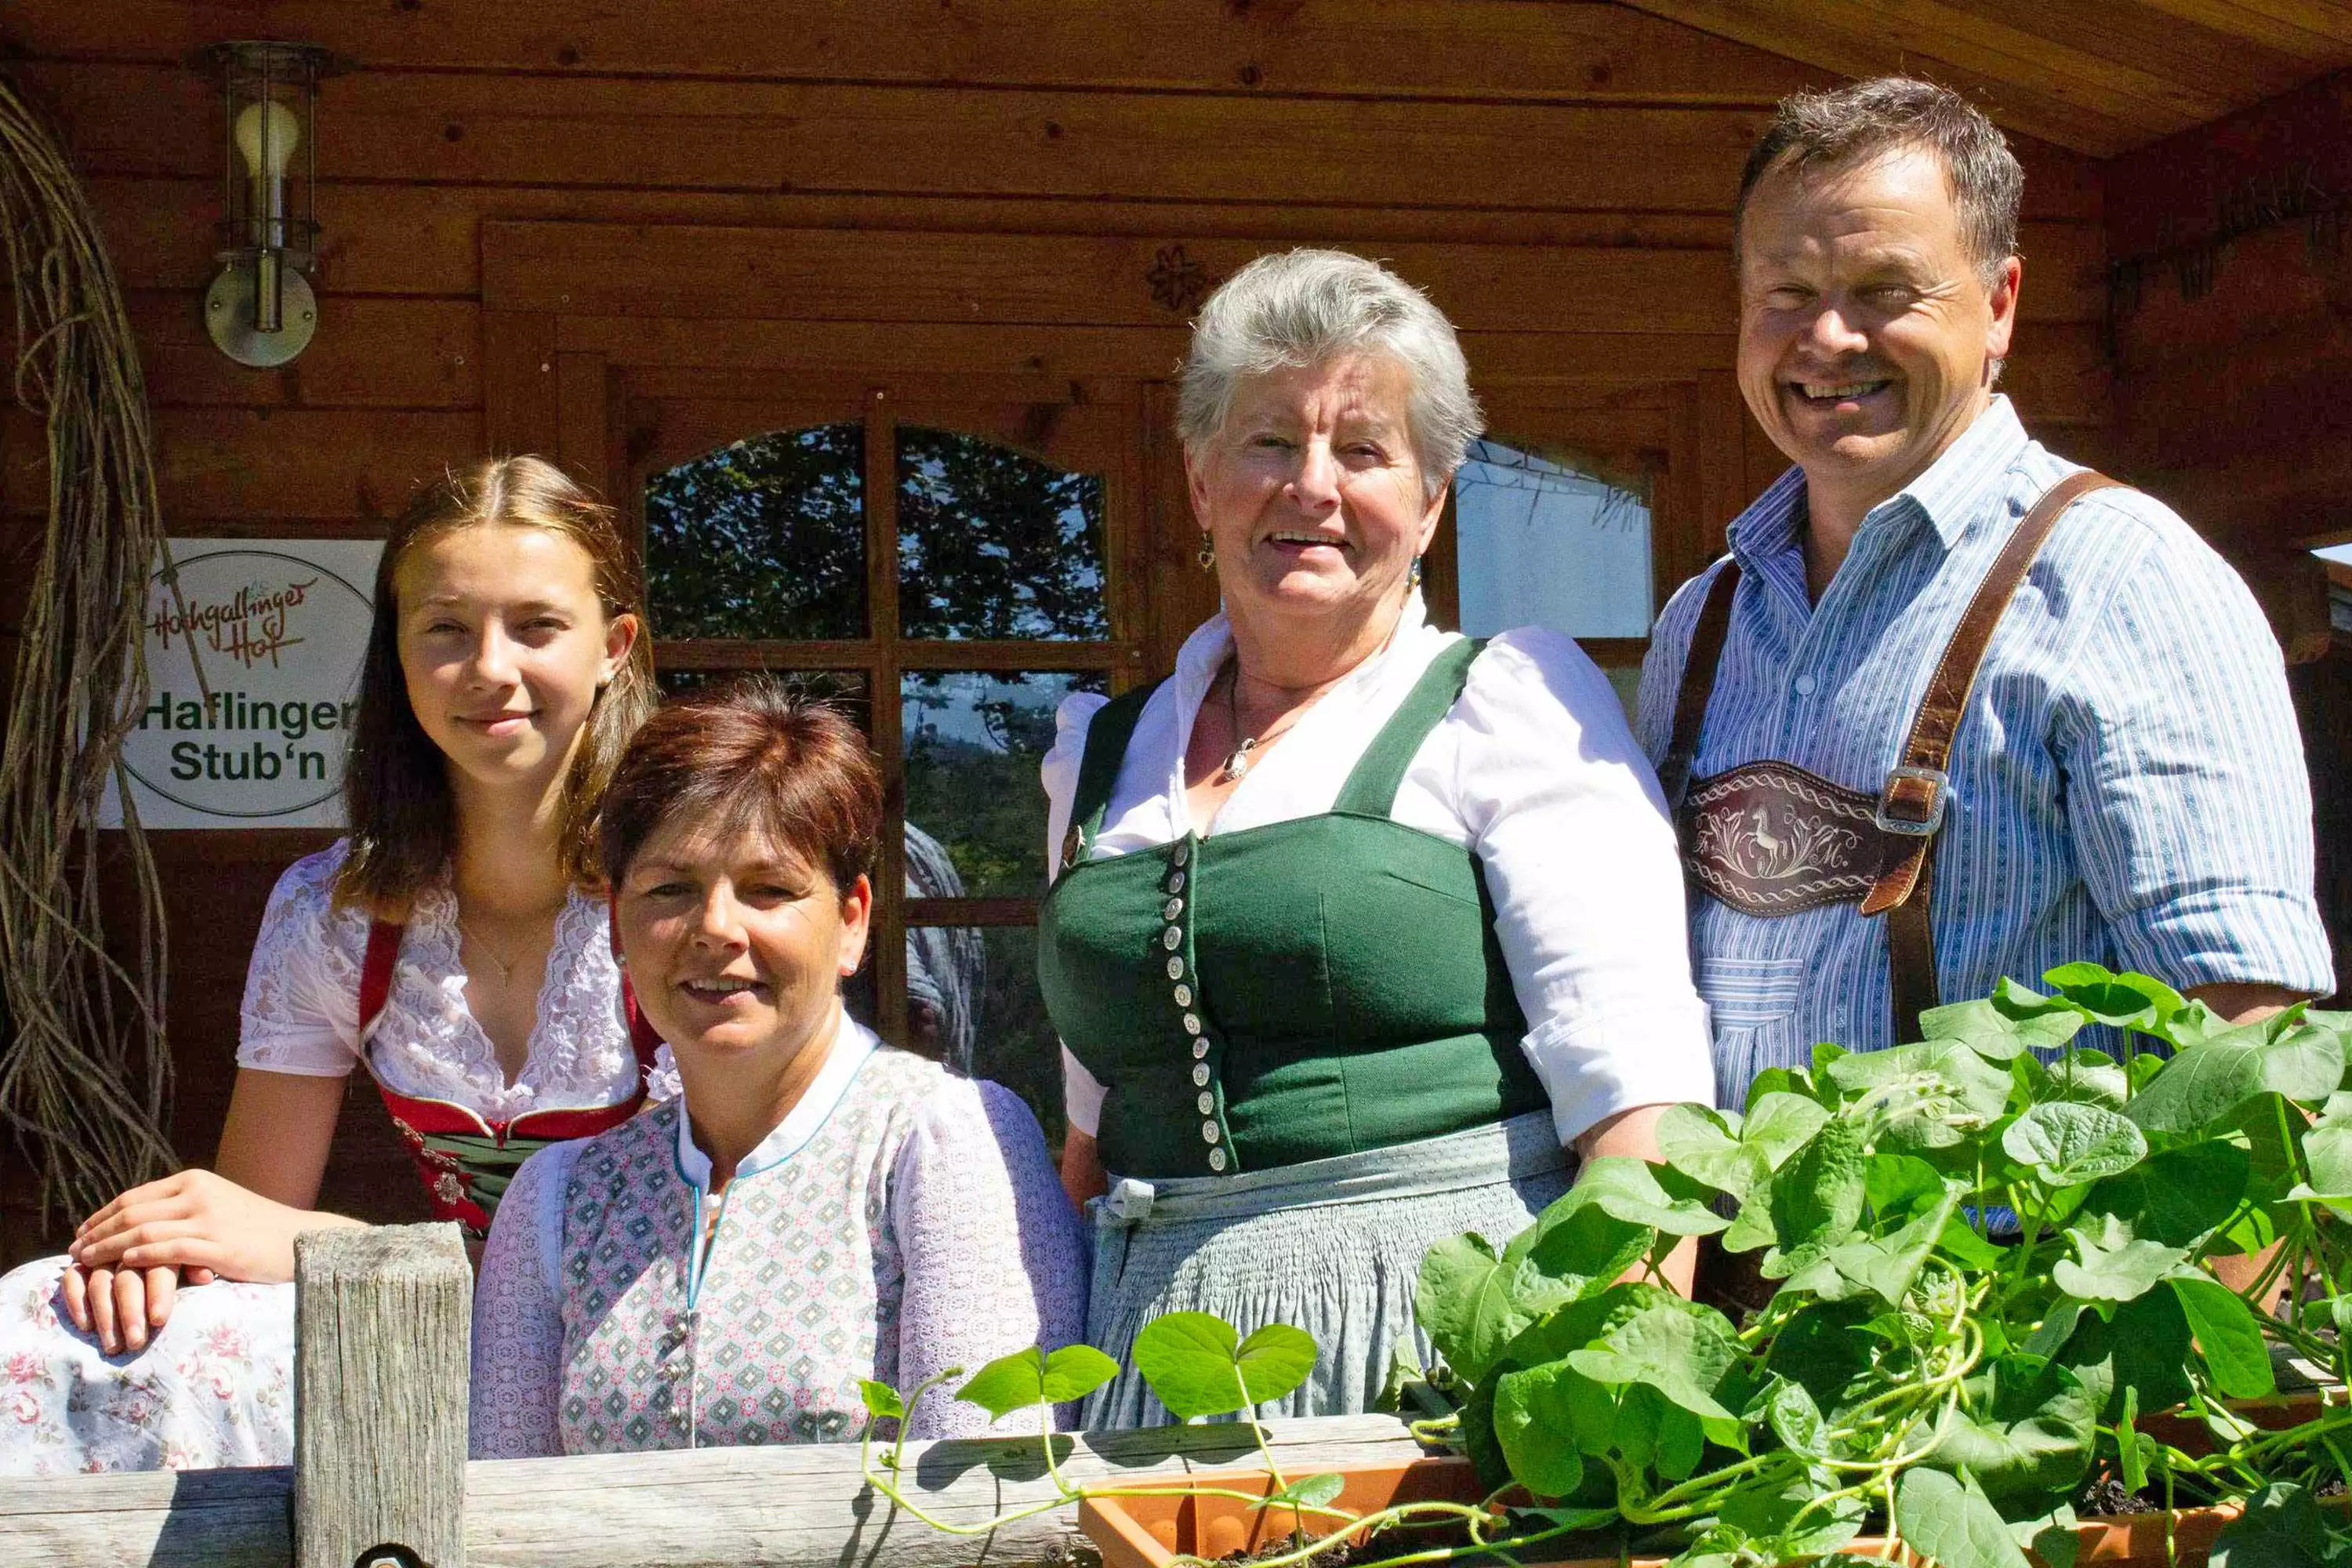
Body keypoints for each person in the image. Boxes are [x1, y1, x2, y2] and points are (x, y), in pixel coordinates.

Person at [1040, 249, 1714, 1427]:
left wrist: (1605, 1410)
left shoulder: (1508, 705)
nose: (1312, 485)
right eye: (1267, 443)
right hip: (1153, 1355)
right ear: (1200, 481)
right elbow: (1084, 1143)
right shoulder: (1102, 753)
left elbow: (1642, 1106)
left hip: (1435, 1345)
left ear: (1433, 499)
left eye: (1363, 449)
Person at [1635, 78, 2334, 1114]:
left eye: (1885, 290)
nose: (1827, 339)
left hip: (2017, 1272)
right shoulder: (1703, 622)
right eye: (1786, 292)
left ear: (2000, 304)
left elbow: (2241, 1043)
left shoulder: (2125, 580)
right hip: (1714, 1274)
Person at [0, 456, 662, 1475]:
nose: (490, 667)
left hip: (666, 1345)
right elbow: (250, 1224)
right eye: (445, 628)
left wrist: (342, 1248)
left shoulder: (687, 898)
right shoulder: (335, 913)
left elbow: (733, 1239)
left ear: (614, 647)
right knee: (43, 1326)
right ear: (396, 656)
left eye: (536, 626)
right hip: (463, 1340)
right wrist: (163, 1259)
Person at [469, 681, 1087, 1456]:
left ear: (853, 919)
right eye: (670, 888)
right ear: (617, 920)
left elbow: (986, 1492)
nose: (716, 928)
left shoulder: (941, 1146)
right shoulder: (559, 1197)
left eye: (769, 889)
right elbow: (502, 1512)